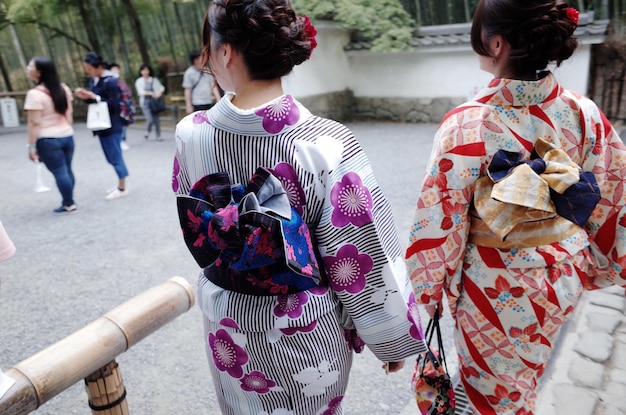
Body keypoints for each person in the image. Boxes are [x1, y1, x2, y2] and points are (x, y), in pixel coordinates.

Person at [172, 1, 427, 413]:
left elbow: (196, 216)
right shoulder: (324, 142)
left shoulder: (190, 134)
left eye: (209, 47)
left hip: (226, 320)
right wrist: (386, 334)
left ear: (226, 52)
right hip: (302, 326)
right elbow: (361, 250)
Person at [405, 1, 626, 414]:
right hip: (562, 275)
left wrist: (428, 289)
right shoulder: (583, 112)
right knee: (524, 380)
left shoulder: (466, 124)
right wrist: (607, 261)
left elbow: (441, 219)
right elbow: (613, 192)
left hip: (494, 283)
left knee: (494, 395)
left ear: (497, 42)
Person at [24, 57, 77, 214]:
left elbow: (34, 123)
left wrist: (31, 146)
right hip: (67, 135)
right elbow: (69, 115)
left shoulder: (34, 94)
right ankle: (69, 200)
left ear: (39, 72)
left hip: (47, 138)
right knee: (67, 169)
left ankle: (69, 203)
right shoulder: (64, 88)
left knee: (60, 171)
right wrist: (66, 129)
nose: (27, 68)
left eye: (30, 66)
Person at [75, 52, 129, 200]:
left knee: (115, 156)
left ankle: (122, 187)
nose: (87, 71)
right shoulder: (94, 81)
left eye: (89, 68)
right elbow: (96, 102)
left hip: (112, 124)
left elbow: (114, 105)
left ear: (98, 66)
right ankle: (120, 183)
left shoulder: (110, 81)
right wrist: (87, 97)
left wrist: (95, 97)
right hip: (101, 124)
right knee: (111, 156)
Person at [182, 49, 221, 114]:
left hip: (208, 101)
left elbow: (213, 85)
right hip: (197, 102)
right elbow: (187, 90)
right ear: (195, 60)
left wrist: (218, 99)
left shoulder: (207, 70)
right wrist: (188, 105)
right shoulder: (189, 73)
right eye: (201, 58)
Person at [134, 64, 165, 141]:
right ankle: (147, 130)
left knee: (156, 119)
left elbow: (161, 88)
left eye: (146, 70)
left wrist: (159, 94)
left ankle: (158, 135)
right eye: (143, 70)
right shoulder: (139, 81)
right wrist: (151, 93)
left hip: (154, 102)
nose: (145, 72)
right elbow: (140, 92)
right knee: (150, 119)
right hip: (145, 102)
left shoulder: (153, 80)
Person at [107, 62, 132, 150]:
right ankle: (118, 141)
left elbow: (128, 93)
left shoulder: (121, 82)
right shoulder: (108, 82)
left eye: (116, 69)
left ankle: (123, 140)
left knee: (124, 123)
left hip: (123, 107)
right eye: (113, 69)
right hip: (114, 108)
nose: (115, 71)